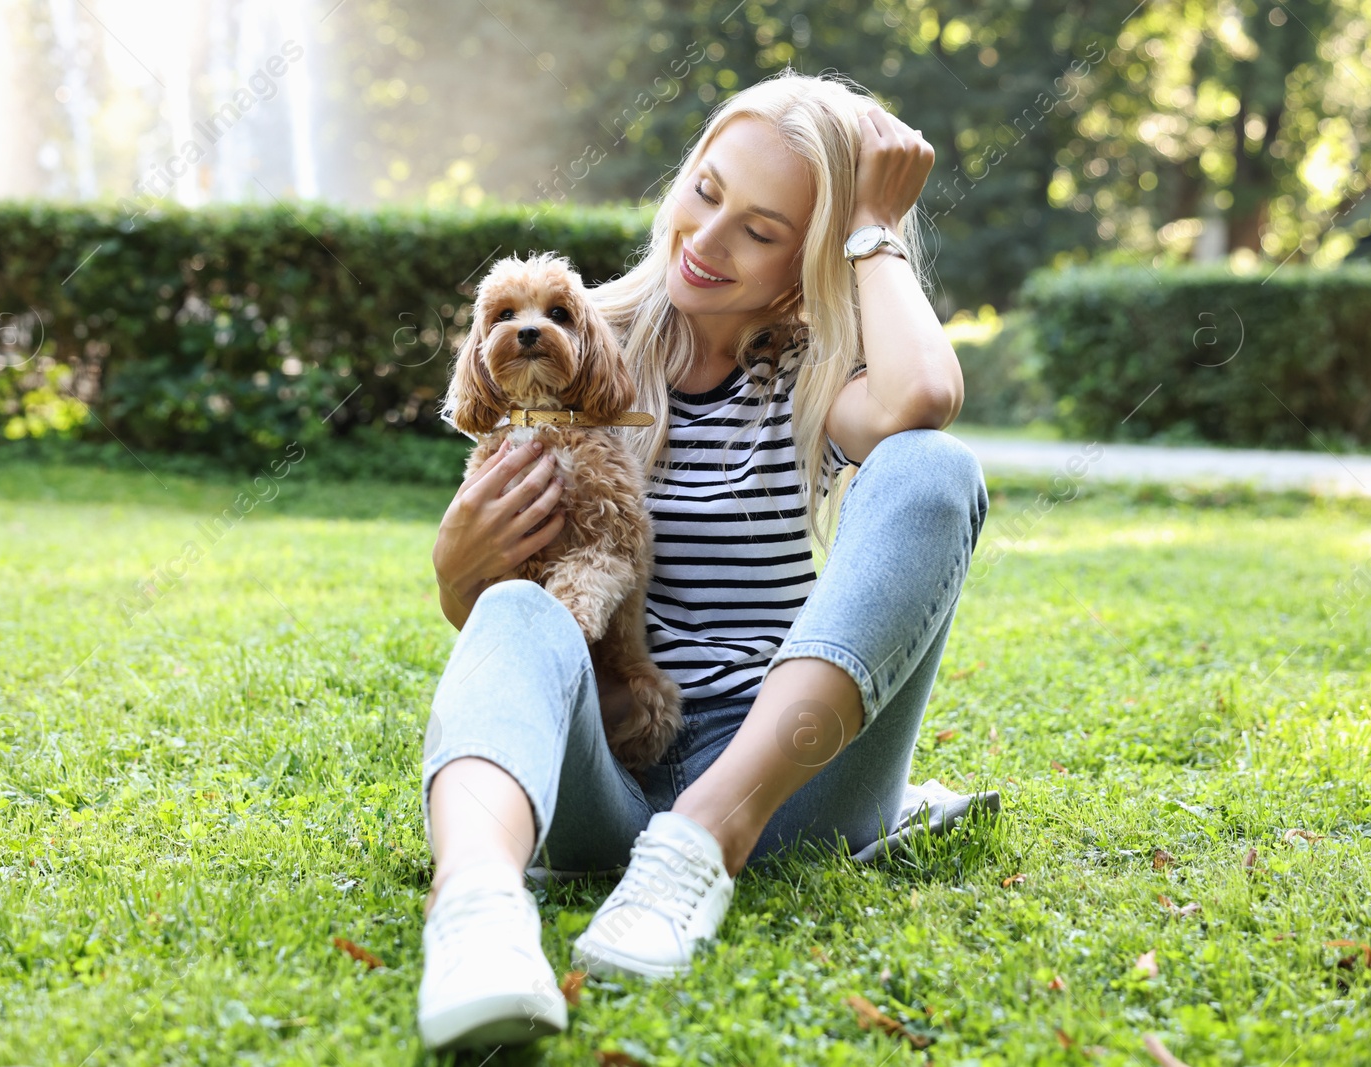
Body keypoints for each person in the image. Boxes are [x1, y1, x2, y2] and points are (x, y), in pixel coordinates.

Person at [416, 68, 991, 1052]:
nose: (706, 239)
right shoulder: (572, 332)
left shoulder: (815, 372)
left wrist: (874, 227)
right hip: (602, 769)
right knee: (521, 611)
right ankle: (474, 911)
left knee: (931, 466)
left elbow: (923, 397)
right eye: (706, 190)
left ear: (808, 259)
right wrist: (456, 575)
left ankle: (699, 843)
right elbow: (515, 623)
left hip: (780, 784)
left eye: (761, 231)